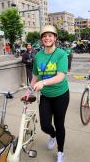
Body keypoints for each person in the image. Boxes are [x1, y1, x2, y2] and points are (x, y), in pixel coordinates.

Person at [24, 25, 69, 162]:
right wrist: (28, 92)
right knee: (44, 125)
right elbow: (35, 77)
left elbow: (60, 76)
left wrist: (43, 83)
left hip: (61, 95)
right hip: (46, 96)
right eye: (44, 36)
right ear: (41, 39)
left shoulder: (61, 54)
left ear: (55, 38)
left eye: (50, 35)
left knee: (59, 123)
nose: (47, 38)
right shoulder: (38, 55)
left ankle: (60, 151)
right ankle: (53, 135)